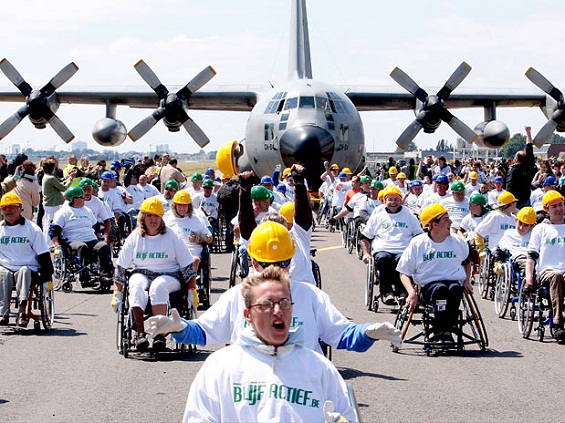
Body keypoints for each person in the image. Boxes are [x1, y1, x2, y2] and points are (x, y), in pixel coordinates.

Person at [145, 220, 402, 355]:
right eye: (267, 264)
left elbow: (343, 335)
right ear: (253, 262)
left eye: (281, 263)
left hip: (302, 387)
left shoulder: (311, 296)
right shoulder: (237, 296)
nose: (274, 270)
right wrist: (179, 328)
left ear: (292, 262)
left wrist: (369, 332)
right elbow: (203, 332)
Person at [182, 266, 358, 422]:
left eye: (284, 303)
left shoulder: (319, 367)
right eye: (266, 304)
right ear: (248, 315)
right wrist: (180, 329)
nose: (278, 311)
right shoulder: (220, 366)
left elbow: (347, 415)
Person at [113, 197, 197, 352]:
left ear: (161, 218)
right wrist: (117, 293)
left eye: (156, 216)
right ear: (143, 218)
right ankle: (140, 334)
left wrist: (192, 291)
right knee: (136, 284)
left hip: (169, 274)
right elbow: (121, 267)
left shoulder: (171, 236)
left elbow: (187, 265)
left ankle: (160, 334)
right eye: (149, 216)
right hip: (142, 272)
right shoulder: (135, 237)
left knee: (158, 286)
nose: (153, 219)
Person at [397, 204, 473, 344]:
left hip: (454, 284)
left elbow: (466, 262)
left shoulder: (458, 241)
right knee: (441, 289)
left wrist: (467, 281)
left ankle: (445, 330)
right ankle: (441, 331)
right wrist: (411, 292)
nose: (451, 223)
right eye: (446, 220)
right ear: (434, 224)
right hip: (428, 287)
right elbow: (404, 272)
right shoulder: (418, 243)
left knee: (454, 289)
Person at [361, 185, 424, 304]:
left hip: (403, 250)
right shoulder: (378, 215)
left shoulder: (408, 215)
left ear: (401, 200)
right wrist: (365, 253)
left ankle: (402, 292)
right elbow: (365, 236)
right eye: (390, 199)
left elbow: (419, 235)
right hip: (383, 248)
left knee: (403, 261)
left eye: (396, 199)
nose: (393, 202)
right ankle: (386, 292)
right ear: (385, 201)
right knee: (383, 259)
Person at [0, 193, 53, 327]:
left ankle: (23, 308)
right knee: (3, 273)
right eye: (5, 208)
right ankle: (3, 313)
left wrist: (48, 277)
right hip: (5, 267)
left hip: (28, 268)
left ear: (20, 208)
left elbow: (43, 254)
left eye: (12, 207)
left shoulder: (32, 229)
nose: (8, 211)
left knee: (24, 271)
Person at [49, 186, 114, 288]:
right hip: (73, 241)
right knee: (82, 247)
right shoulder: (63, 212)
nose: (84, 199)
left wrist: (98, 235)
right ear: (73, 199)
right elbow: (54, 231)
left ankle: (106, 276)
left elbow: (96, 226)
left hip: (91, 239)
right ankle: (84, 278)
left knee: (103, 246)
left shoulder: (87, 210)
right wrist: (57, 245)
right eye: (81, 197)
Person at [524, 191, 565, 343]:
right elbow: (531, 257)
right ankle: (558, 323)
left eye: (560, 205)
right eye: (554, 206)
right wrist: (529, 279)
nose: (558, 209)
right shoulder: (540, 229)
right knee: (557, 276)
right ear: (547, 209)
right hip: (548, 271)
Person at [164, 190, 212, 272]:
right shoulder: (167, 219)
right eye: (179, 205)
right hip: (172, 254)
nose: (182, 208)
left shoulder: (197, 220)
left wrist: (200, 238)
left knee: (194, 260)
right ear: (174, 205)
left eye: (184, 205)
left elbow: (210, 238)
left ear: (189, 206)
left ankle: (190, 282)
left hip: (192, 253)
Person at [41, 158, 77, 243]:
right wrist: (71, 179)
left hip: (49, 204)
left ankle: (47, 242)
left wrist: (68, 176)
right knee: (51, 224)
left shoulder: (47, 176)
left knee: (47, 223)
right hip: (52, 204)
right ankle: (50, 243)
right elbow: (63, 187)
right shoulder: (50, 178)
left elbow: (59, 181)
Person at [475, 191, 517, 256]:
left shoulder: (514, 218)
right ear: (509, 204)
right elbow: (479, 232)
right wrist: (481, 250)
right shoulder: (495, 216)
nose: (515, 204)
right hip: (496, 252)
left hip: (512, 251)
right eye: (514, 202)